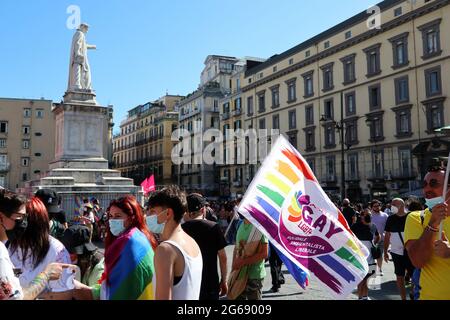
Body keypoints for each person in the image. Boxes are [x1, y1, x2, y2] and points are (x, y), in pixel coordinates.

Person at [0, 189, 73, 300]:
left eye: (27, 220)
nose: (23, 225)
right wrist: (45, 276)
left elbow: (66, 293)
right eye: (20, 218)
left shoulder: (58, 251)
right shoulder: (5, 245)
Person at [147, 186, 203, 300]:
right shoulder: (192, 242)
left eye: (152, 211)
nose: (147, 216)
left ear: (168, 213)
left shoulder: (165, 250)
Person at [405, 166, 450, 300]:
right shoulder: (416, 218)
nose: (426, 189)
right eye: (424, 184)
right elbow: (418, 262)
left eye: (433, 184)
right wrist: (433, 224)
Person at [182, 193, 228, 300]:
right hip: (210, 284)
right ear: (203, 210)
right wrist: (224, 280)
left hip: (189, 283)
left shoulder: (181, 229)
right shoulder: (214, 227)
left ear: (187, 212)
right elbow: (223, 258)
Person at [383, 198, 415, 300]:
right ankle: (403, 298)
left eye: (394, 204)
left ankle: (414, 294)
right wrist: (385, 251)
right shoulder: (390, 218)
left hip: (410, 251)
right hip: (396, 252)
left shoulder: (411, 217)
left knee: (414, 276)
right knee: (399, 276)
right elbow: (387, 236)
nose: (391, 206)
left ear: (401, 205)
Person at [231, 218, 269, 300]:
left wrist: (243, 262)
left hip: (254, 276)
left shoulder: (259, 227)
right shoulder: (240, 224)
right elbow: (236, 247)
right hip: (239, 274)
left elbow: (264, 253)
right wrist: (233, 267)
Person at [351, 208, 380, 300]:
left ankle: (365, 296)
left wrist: (375, 244)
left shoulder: (373, 226)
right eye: (366, 214)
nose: (369, 216)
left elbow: (378, 236)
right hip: (359, 256)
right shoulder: (355, 226)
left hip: (371, 257)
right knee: (361, 278)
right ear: (362, 216)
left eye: (370, 214)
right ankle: (360, 297)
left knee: (368, 278)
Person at [370, 199, 388, 275]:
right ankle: (372, 271)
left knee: (380, 255)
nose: (377, 207)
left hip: (382, 239)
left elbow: (388, 227)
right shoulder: (369, 216)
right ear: (372, 207)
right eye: (375, 206)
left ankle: (380, 270)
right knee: (371, 256)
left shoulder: (385, 215)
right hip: (371, 239)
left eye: (378, 206)